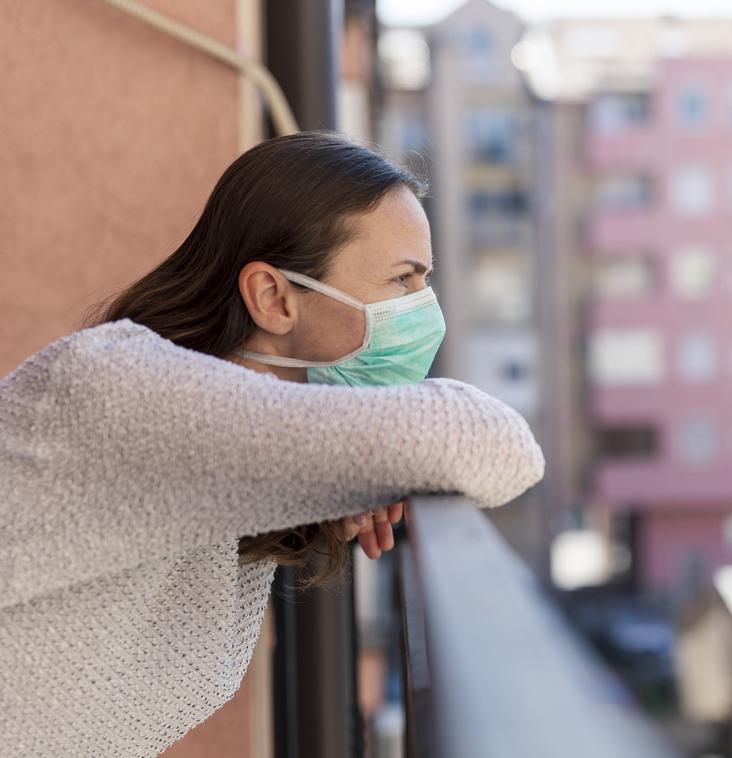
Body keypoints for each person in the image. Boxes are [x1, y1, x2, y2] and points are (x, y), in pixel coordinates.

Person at [0, 131, 545, 756]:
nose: (425, 310)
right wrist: (372, 447)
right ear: (273, 298)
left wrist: (337, 465)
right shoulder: (121, 391)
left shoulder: (228, 481)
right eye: (402, 281)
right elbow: (498, 445)